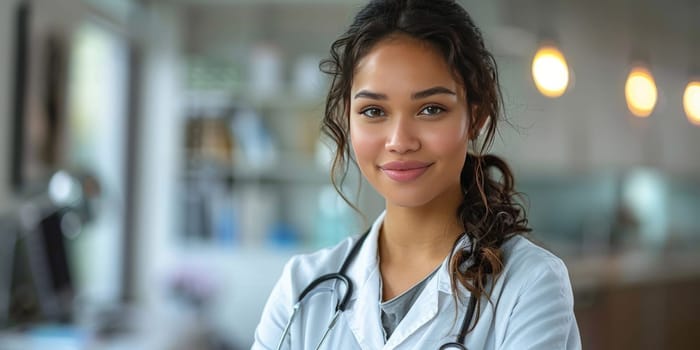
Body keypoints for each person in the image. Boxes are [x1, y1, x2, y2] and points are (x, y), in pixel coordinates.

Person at [253, 0, 582, 349]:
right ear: (347, 118)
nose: (399, 141)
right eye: (374, 110)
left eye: (430, 109)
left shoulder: (530, 284)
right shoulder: (302, 288)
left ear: (476, 115)